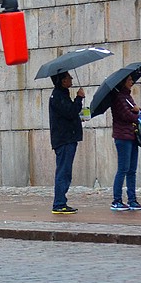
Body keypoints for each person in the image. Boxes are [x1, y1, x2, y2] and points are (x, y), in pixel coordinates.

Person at [48, 71, 85, 215]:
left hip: (67, 138)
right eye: (69, 77)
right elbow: (70, 112)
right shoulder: (58, 96)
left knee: (65, 171)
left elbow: (69, 115)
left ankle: (61, 202)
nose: (71, 79)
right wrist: (79, 98)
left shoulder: (62, 94)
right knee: (63, 172)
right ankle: (59, 203)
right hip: (64, 140)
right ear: (63, 81)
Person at [110, 74, 141, 211]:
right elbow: (126, 115)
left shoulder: (127, 96)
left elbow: (135, 111)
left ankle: (132, 200)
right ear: (123, 82)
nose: (132, 82)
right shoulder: (118, 98)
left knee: (132, 170)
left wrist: (137, 110)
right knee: (123, 169)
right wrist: (137, 112)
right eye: (129, 80)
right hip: (123, 137)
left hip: (132, 136)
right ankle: (116, 200)